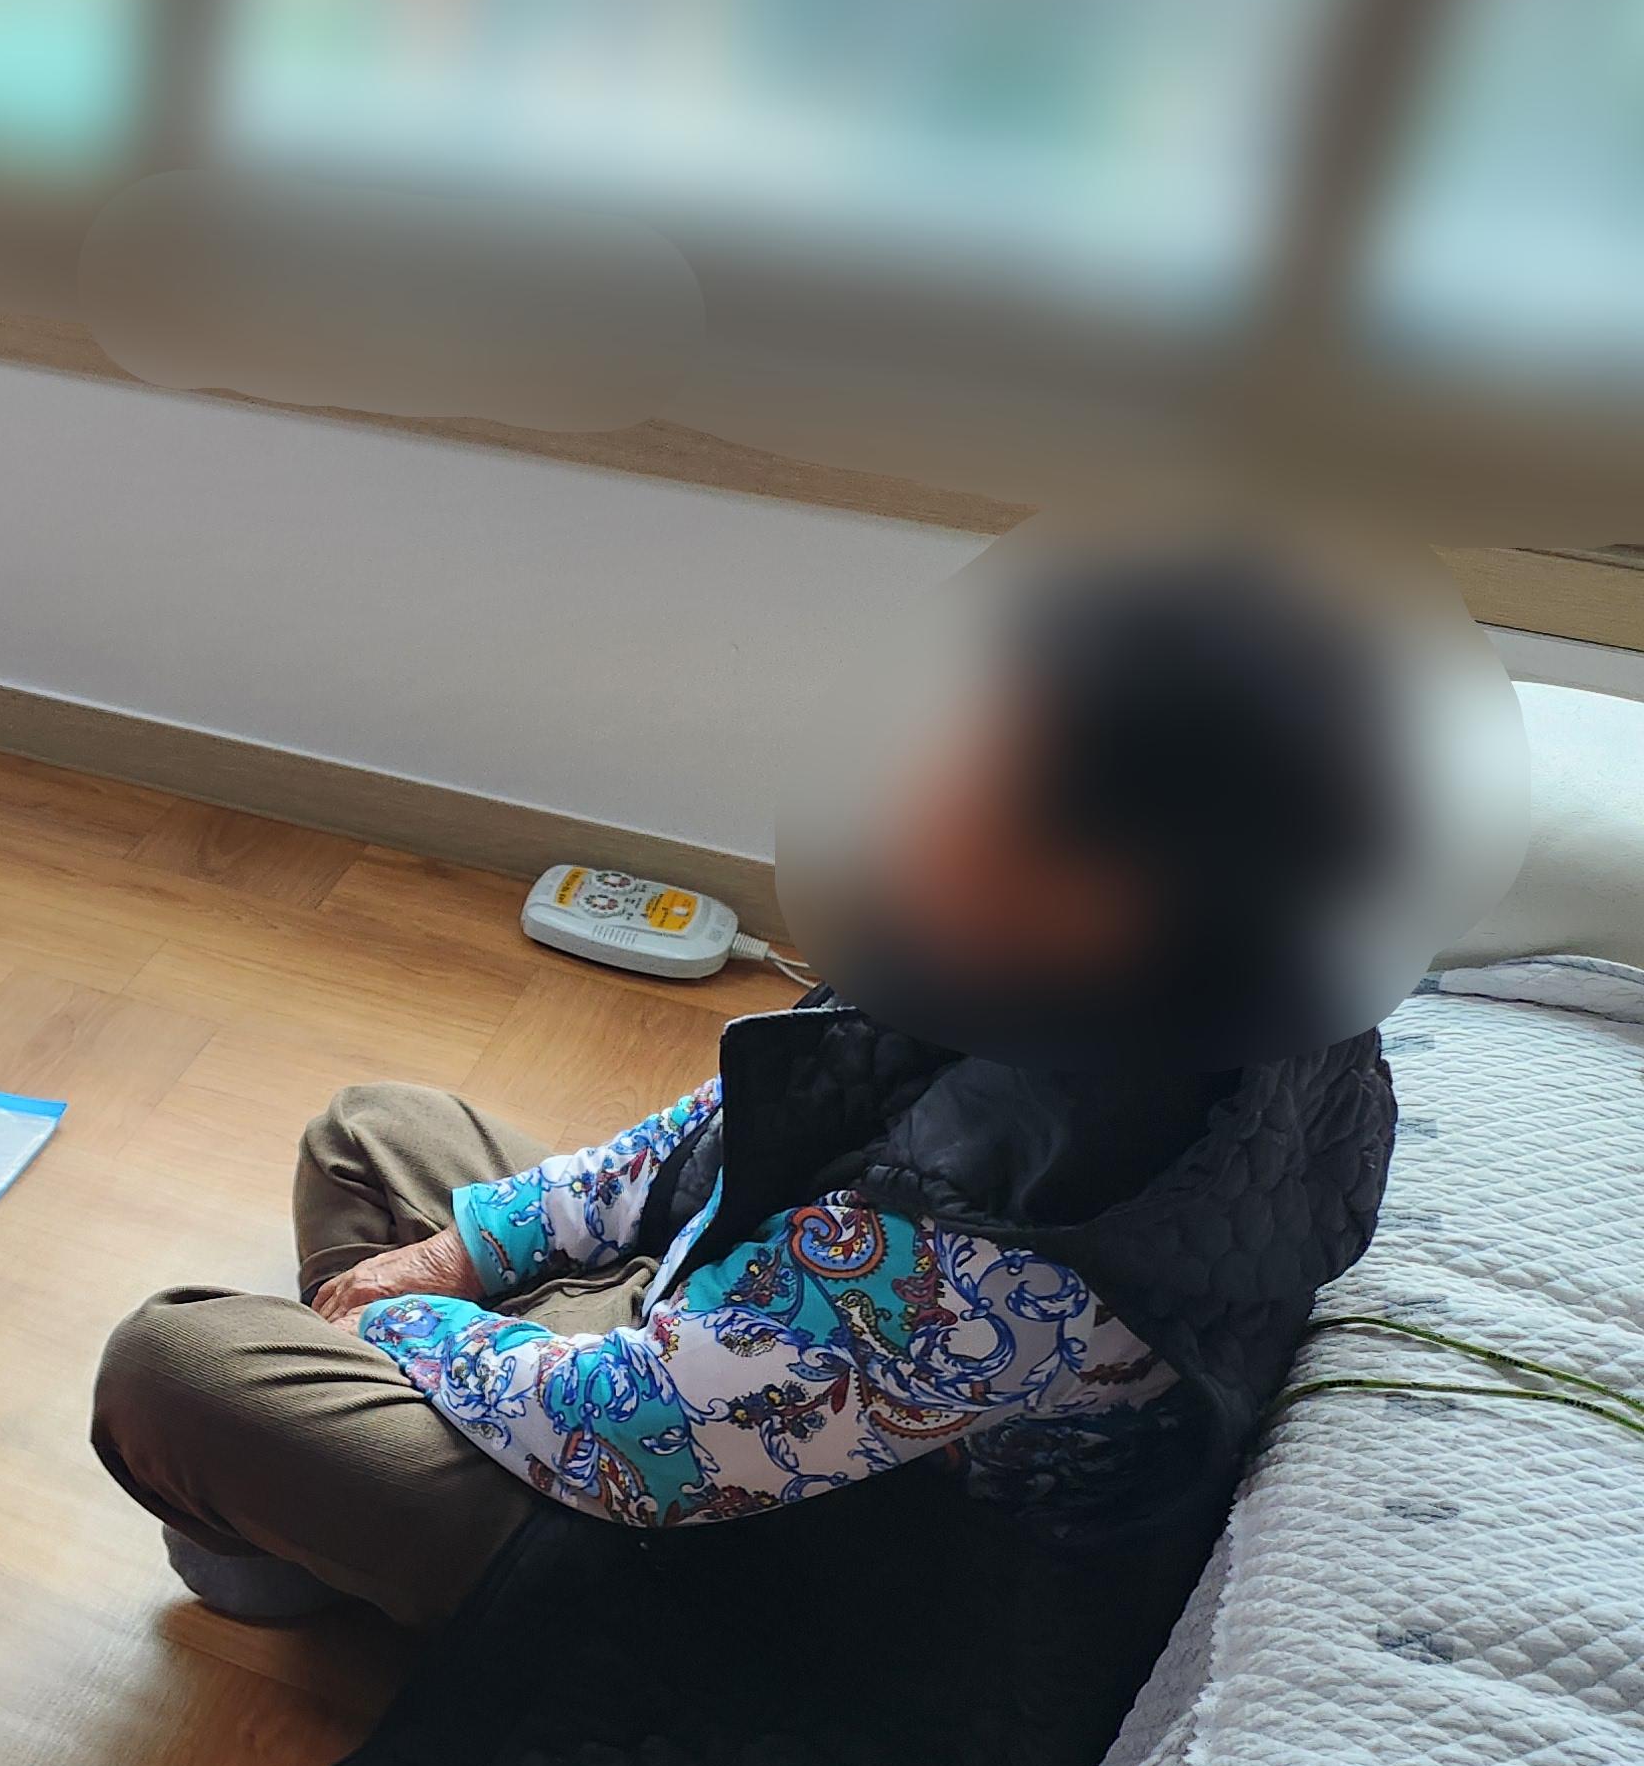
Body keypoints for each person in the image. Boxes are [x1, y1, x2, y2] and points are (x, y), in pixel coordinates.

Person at [93, 548, 1410, 1631]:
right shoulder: (1202, 969)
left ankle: (324, 1553)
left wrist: (399, 1329)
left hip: (756, 1562)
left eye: (966, 767)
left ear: (1105, 886)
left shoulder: (1014, 1228)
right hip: (759, 1348)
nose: (908, 780)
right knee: (371, 1132)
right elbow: (742, 1117)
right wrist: (470, 1251)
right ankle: (346, 1487)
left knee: (175, 1367)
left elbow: (633, 1439)